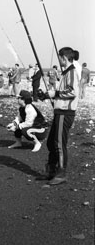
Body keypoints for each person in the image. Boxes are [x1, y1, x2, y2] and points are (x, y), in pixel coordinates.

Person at [37, 47, 80, 185]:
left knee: (59, 144)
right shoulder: (66, 73)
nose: (59, 60)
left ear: (63, 58)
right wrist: (46, 95)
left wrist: (54, 94)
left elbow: (72, 92)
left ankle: (61, 173)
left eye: (59, 57)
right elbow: (63, 91)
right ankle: (51, 171)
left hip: (65, 113)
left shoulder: (72, 72)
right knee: (51, 143)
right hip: (59, 112)